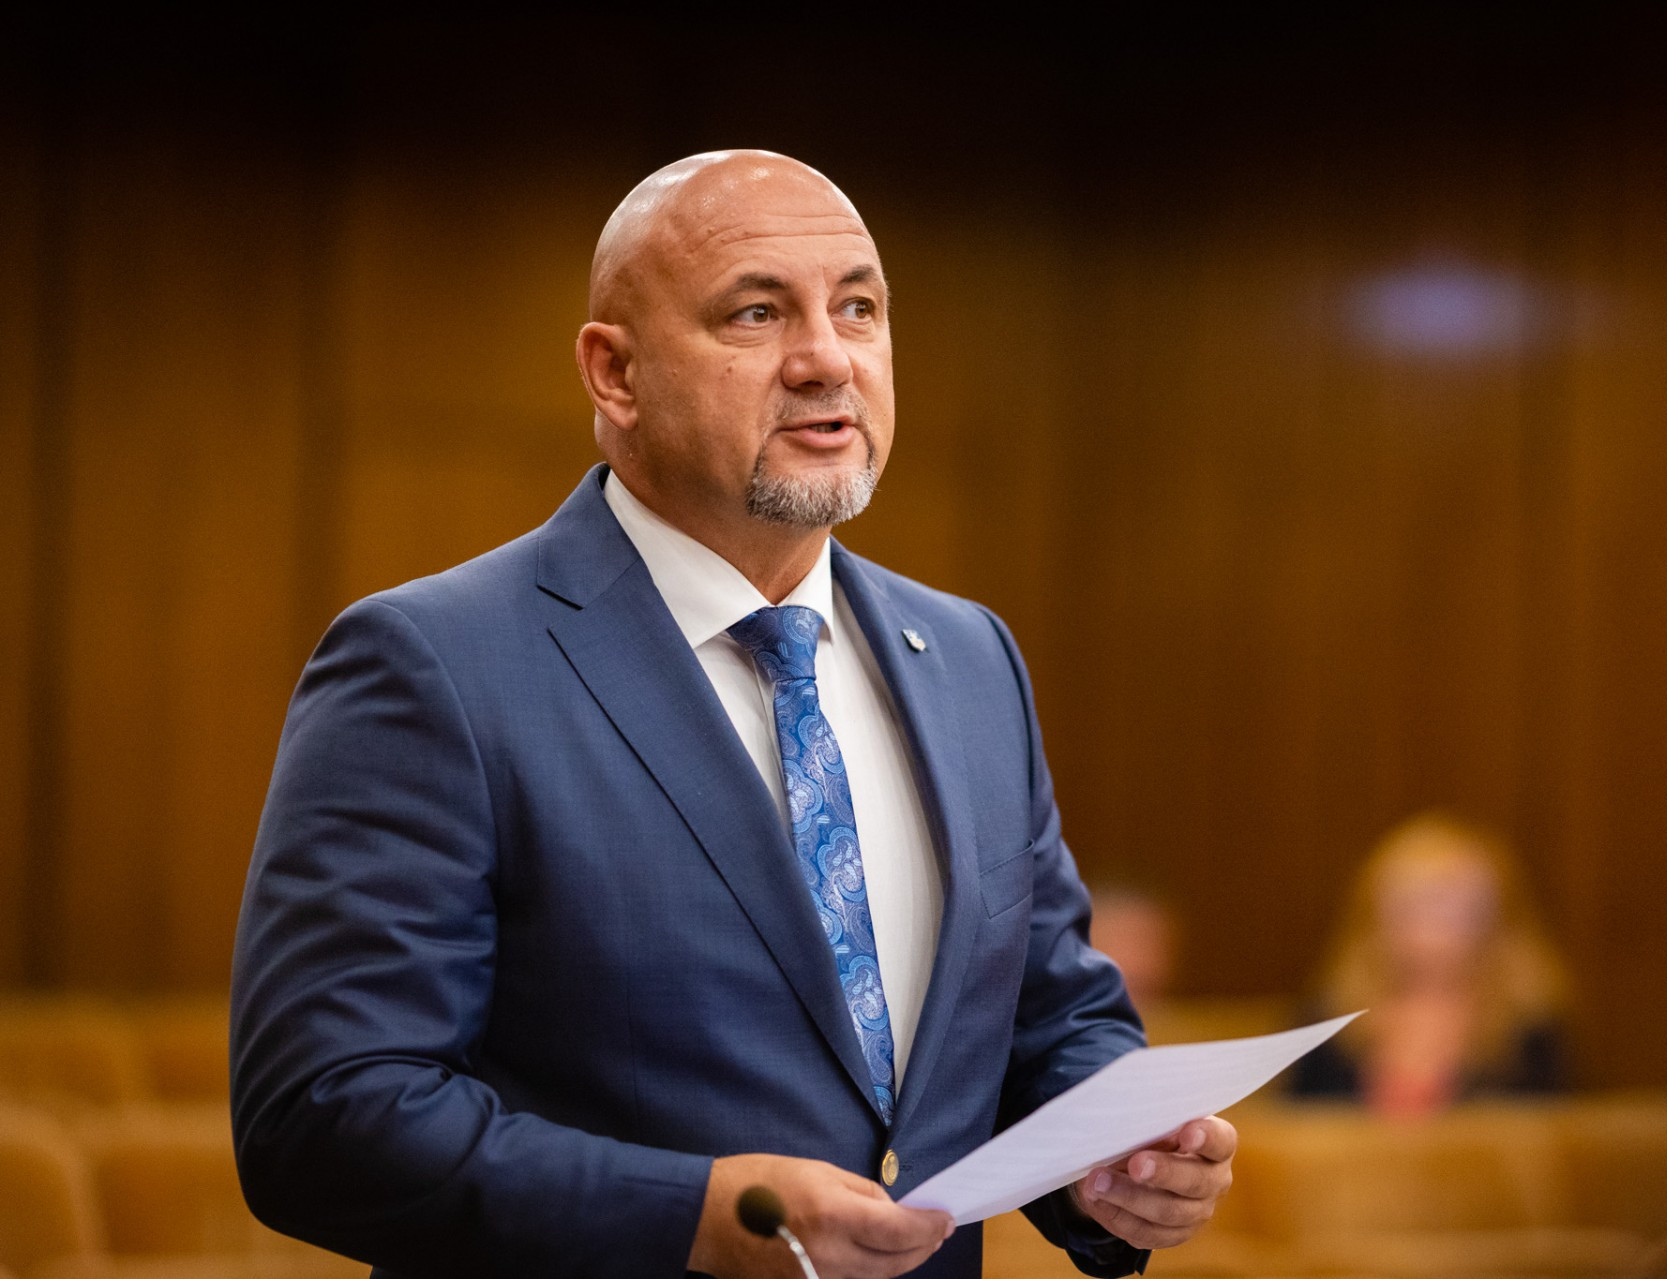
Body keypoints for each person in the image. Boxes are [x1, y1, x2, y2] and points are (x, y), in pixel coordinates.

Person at [230, 151, 1235, 1279]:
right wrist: (700, 1217)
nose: (827, 358)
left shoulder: (969, 658)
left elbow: (1048, 1015)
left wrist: (1116, 1156)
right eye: (756, 313)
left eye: (858, 308)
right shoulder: (435, 665)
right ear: (615, 373)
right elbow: (322, 1116)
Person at [1289, 812, 1569, 1118]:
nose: (1436, 927)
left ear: (1495, 919)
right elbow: (1292, 1128)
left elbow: (1563, 1129)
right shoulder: (1328, 1025)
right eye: (1417, 904)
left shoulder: (1528, 1031)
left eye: (1456, 906)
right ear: (1376, 915)